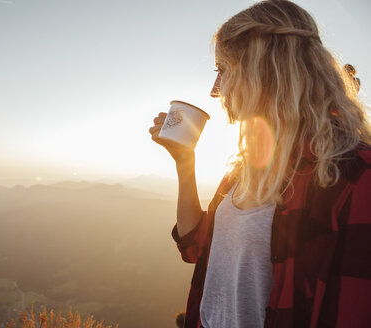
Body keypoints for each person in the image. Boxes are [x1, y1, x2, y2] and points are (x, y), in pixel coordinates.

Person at [148, 1, 371, 327]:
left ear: (265, 69)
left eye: (223, 71)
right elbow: (195, 249)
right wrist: (185, 161)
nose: (215, 91)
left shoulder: (354, 178)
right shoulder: (244, 170)